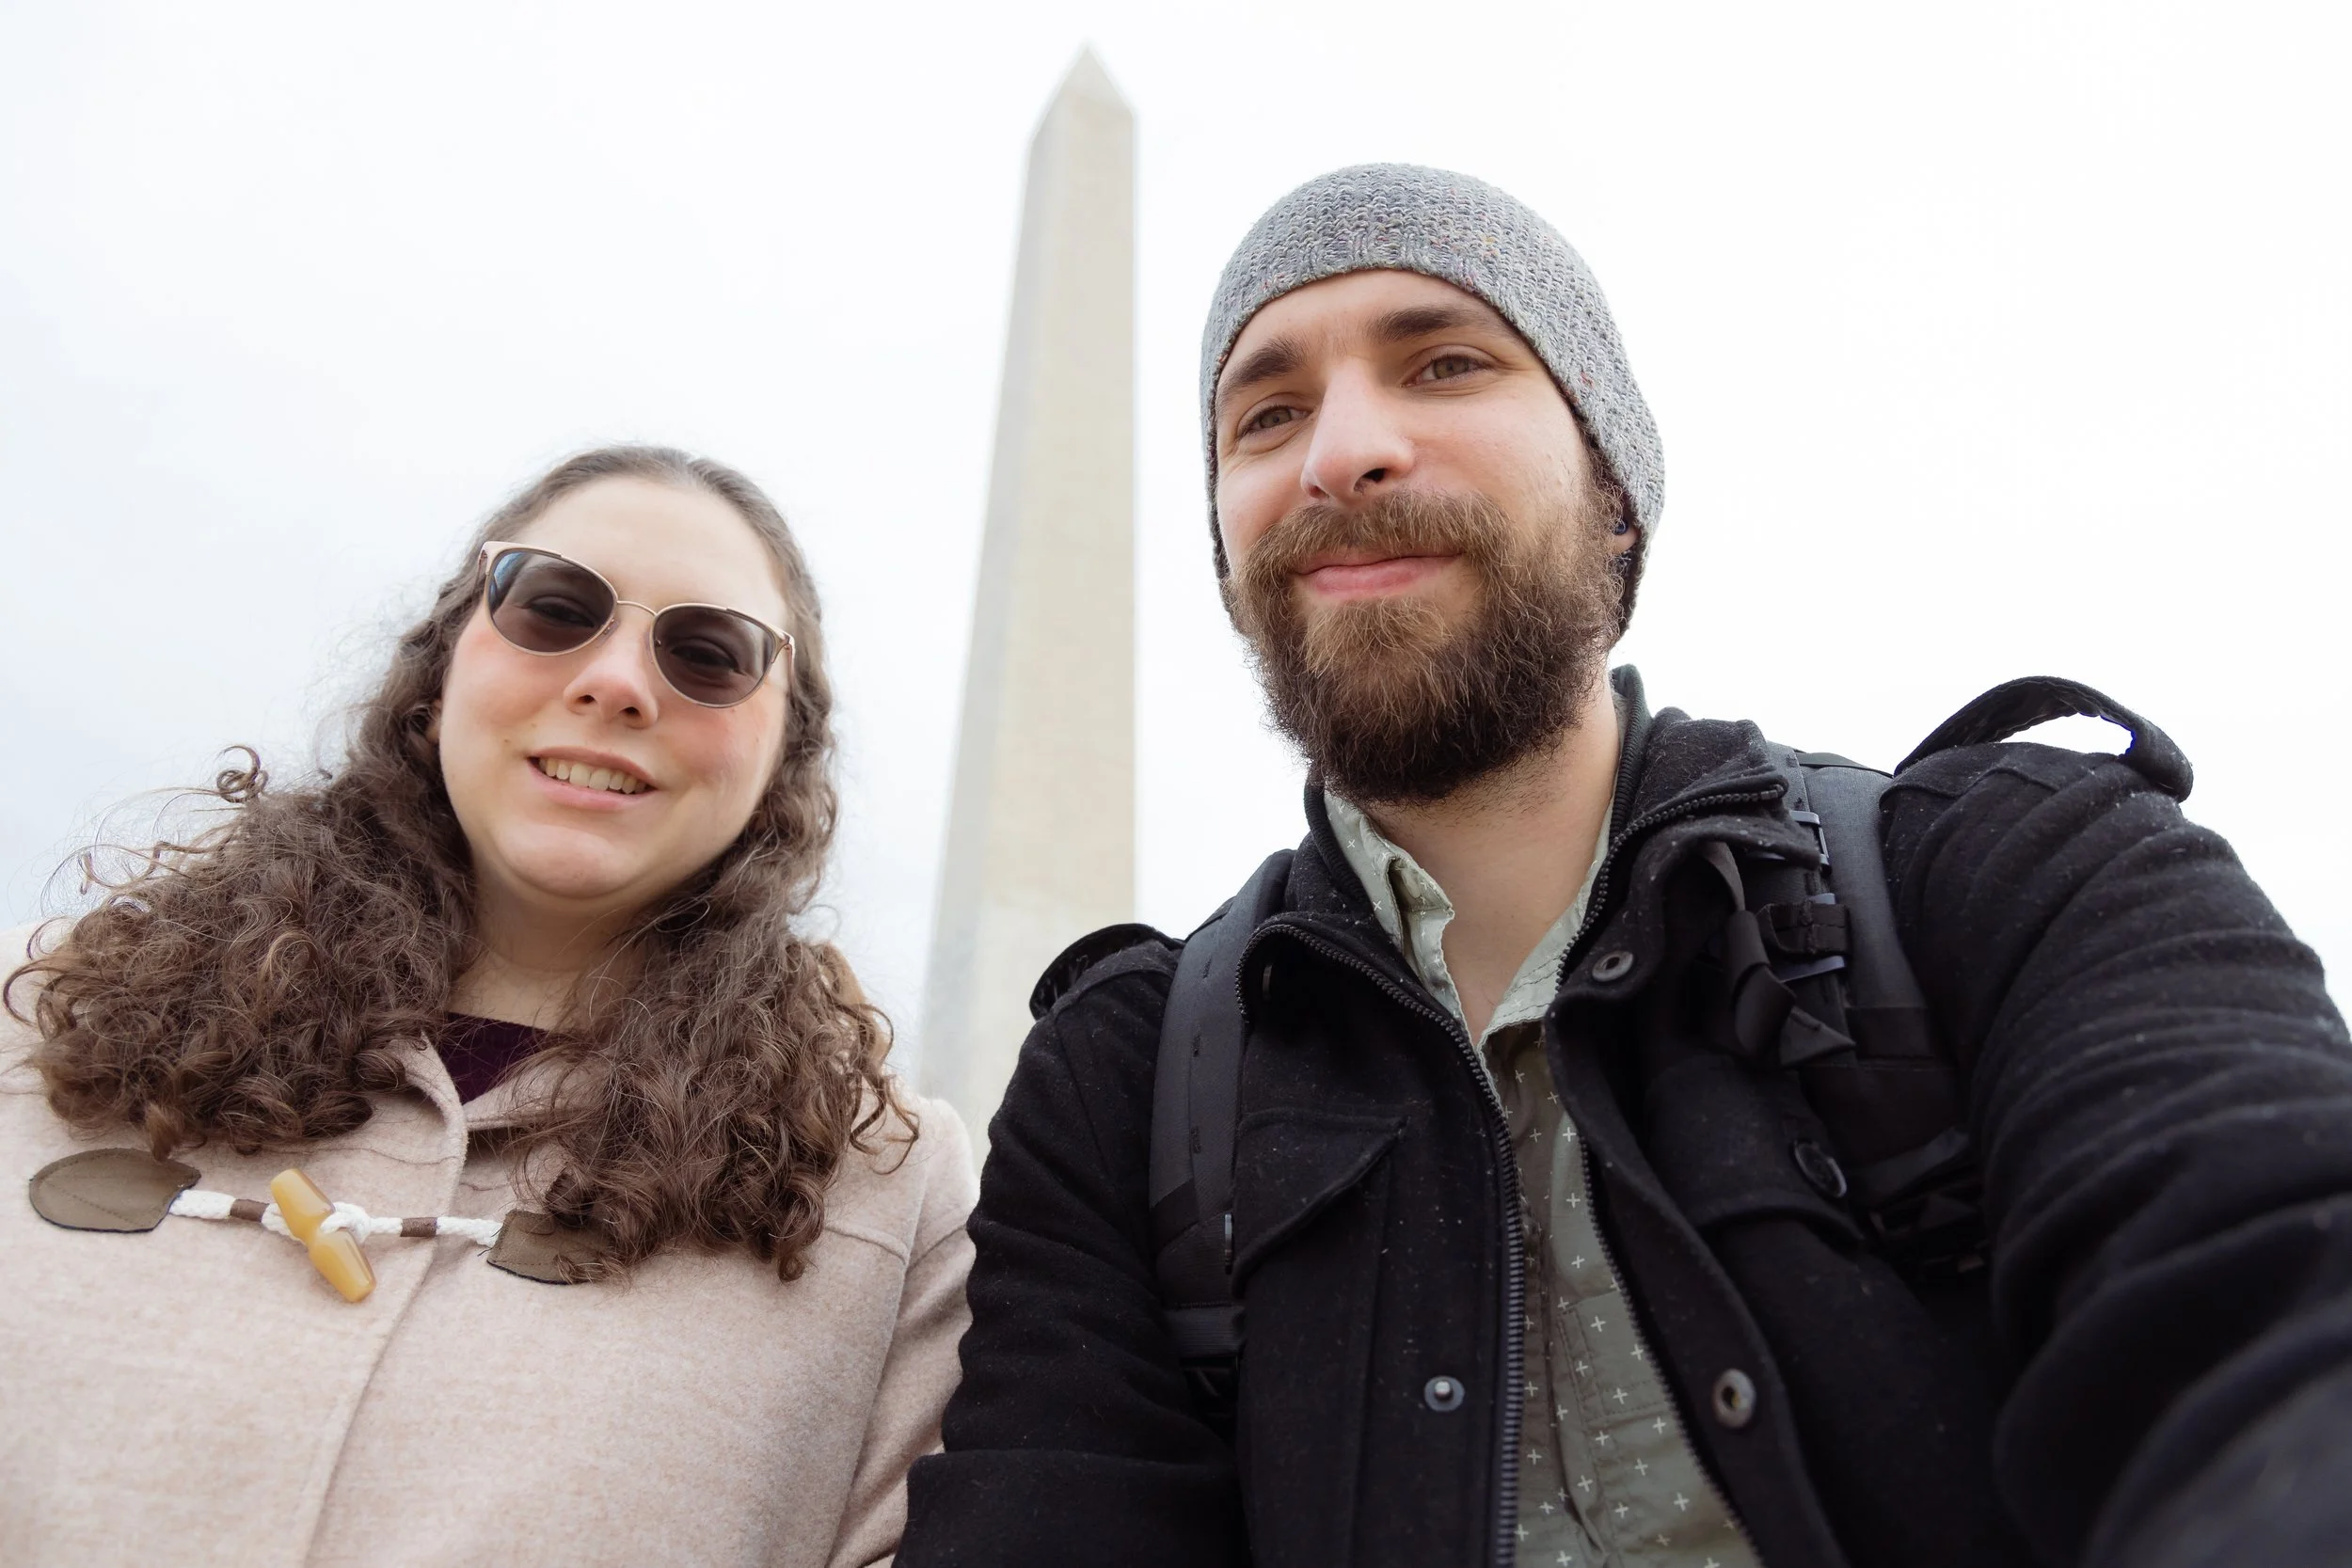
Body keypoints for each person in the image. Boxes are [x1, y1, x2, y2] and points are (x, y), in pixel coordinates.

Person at [898, 167, 2352, 1568]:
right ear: (1228, 556)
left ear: (1615, 488)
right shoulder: (1116, 1088)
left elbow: (2280, 1323)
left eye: (1445, 363)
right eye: (1266, 413)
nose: (1341, 449)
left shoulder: (2015, 872)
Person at [1, 446, 975, 1566]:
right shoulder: (38, 1017)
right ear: (439, 672)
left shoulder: (892, 1192)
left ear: (782, 757)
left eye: (710, 653)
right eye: (553, 606)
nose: (617, 681)